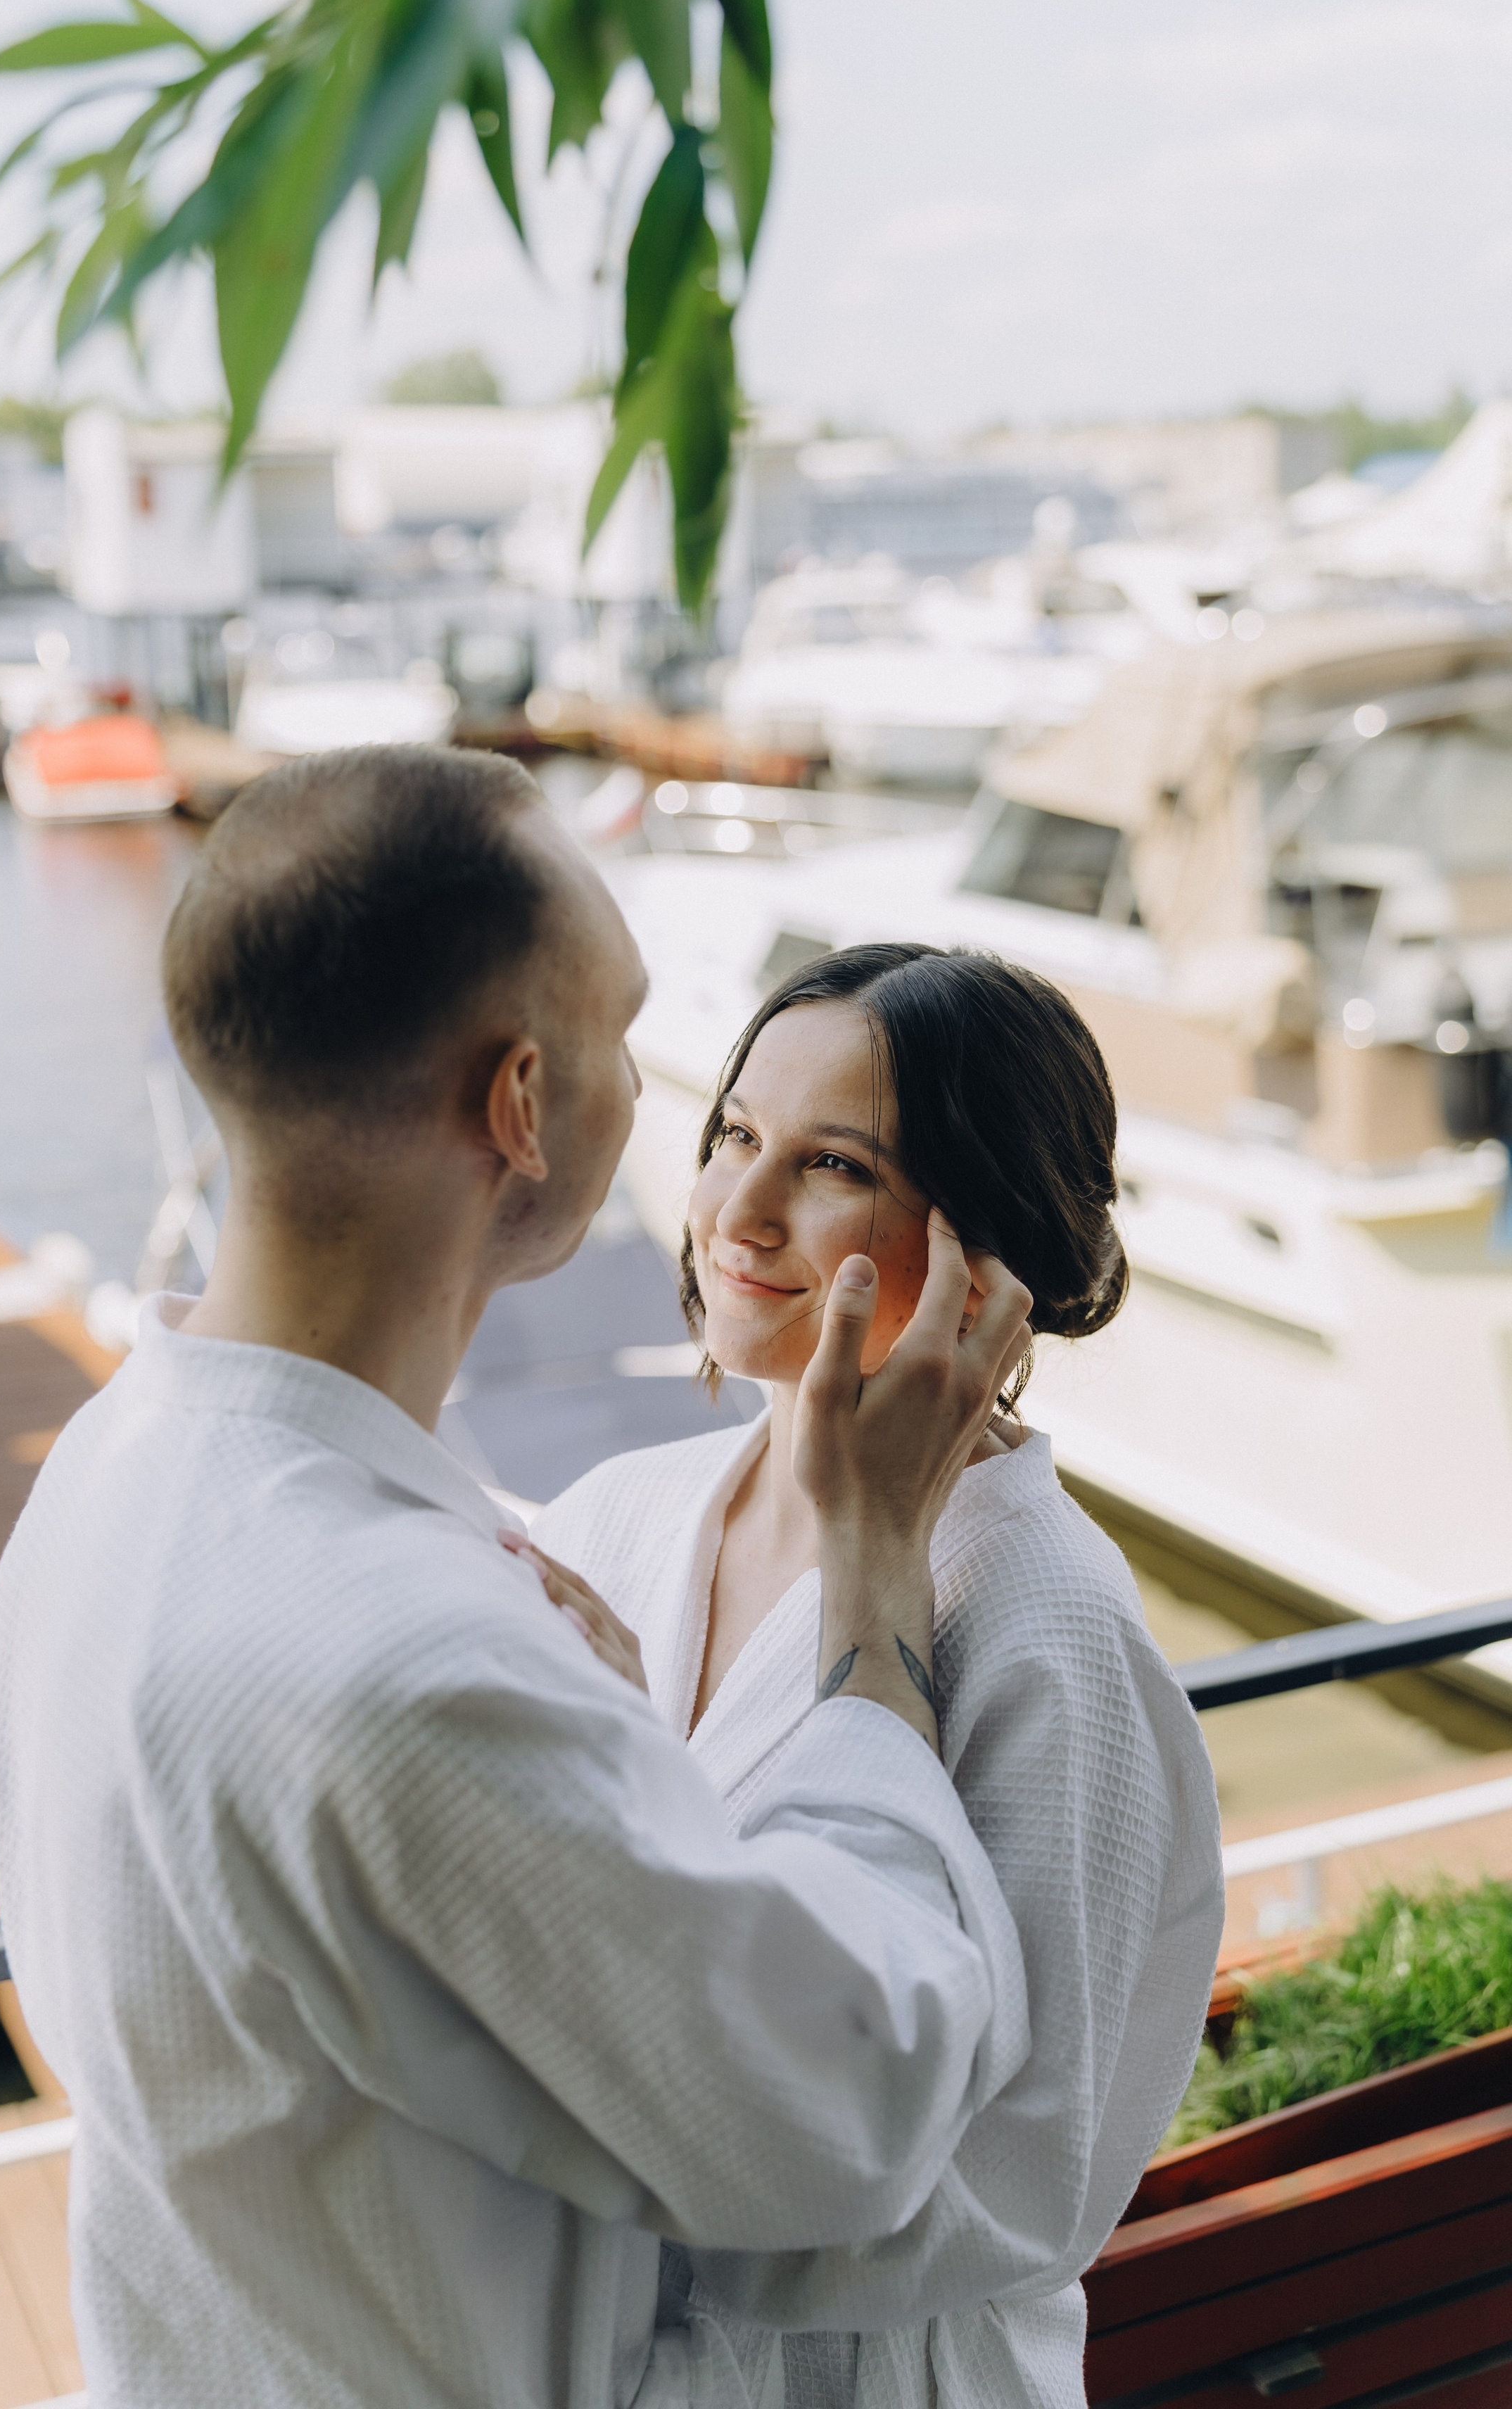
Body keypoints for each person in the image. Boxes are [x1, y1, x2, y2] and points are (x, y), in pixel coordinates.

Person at [0, 752, 1041, 2409]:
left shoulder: (106, 1478)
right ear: (522, 1102)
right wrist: (869, 1597)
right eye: (624, 1032)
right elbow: (857, 2107)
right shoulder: (402, 1663)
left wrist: (602, 1751)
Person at [529, 944, 1225, 2408]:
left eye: (834, 1165)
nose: (739, 1210)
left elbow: (1027, 2184)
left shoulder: (1049, 1628)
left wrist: (593, 2150)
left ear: (986, 1249)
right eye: (735, 1135)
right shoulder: (612, 1521)